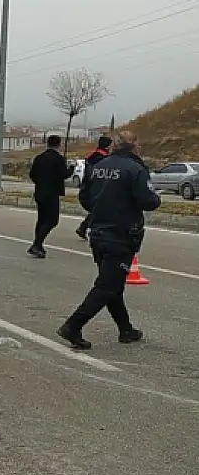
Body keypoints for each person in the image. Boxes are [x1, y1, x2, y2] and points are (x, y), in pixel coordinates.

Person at [57, 130, 161, 349]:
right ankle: (73, 325)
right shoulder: (135, 169)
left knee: (112, 282)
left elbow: (84, 197)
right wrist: (155, 197)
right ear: (133, 146)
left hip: (98, 232)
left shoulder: (98, 166)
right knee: (107, 285)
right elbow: (148, 201)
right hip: (121, 234)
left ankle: (126, 329)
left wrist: (100, 208)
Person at [27, 135, 75, 258]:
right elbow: (64, 175)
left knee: (42, 219)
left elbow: (32, 174)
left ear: (47, 143)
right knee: (52, 220)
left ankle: (38, 244)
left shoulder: (39, 158)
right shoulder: (58, 159)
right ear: (59, 145)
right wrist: (71, 168)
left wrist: (40, 182)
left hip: (40, 191)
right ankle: (37, 244)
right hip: (52, 193)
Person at [75, 135, 113, 239]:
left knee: (96, 209)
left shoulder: (91, 156)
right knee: (99, 209)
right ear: (107, 146)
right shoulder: (105, 158)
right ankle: (90, 229)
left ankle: (84, 227)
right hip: (97, 187)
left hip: (87, 186)